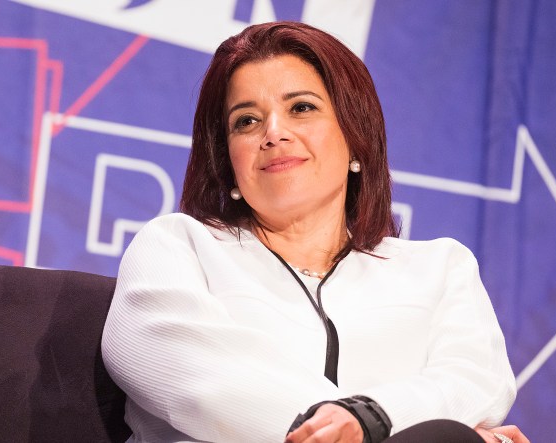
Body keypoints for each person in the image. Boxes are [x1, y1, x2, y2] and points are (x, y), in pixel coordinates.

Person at [102, 21, 526, 443]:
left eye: (301, 108)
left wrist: (372, 419)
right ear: (227, 161)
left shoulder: (440, 268)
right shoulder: (177, 247)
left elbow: (474, 381)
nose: (273, 133)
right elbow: (196, 381)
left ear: (355, 139)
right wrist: (369, 426)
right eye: (246, 121)